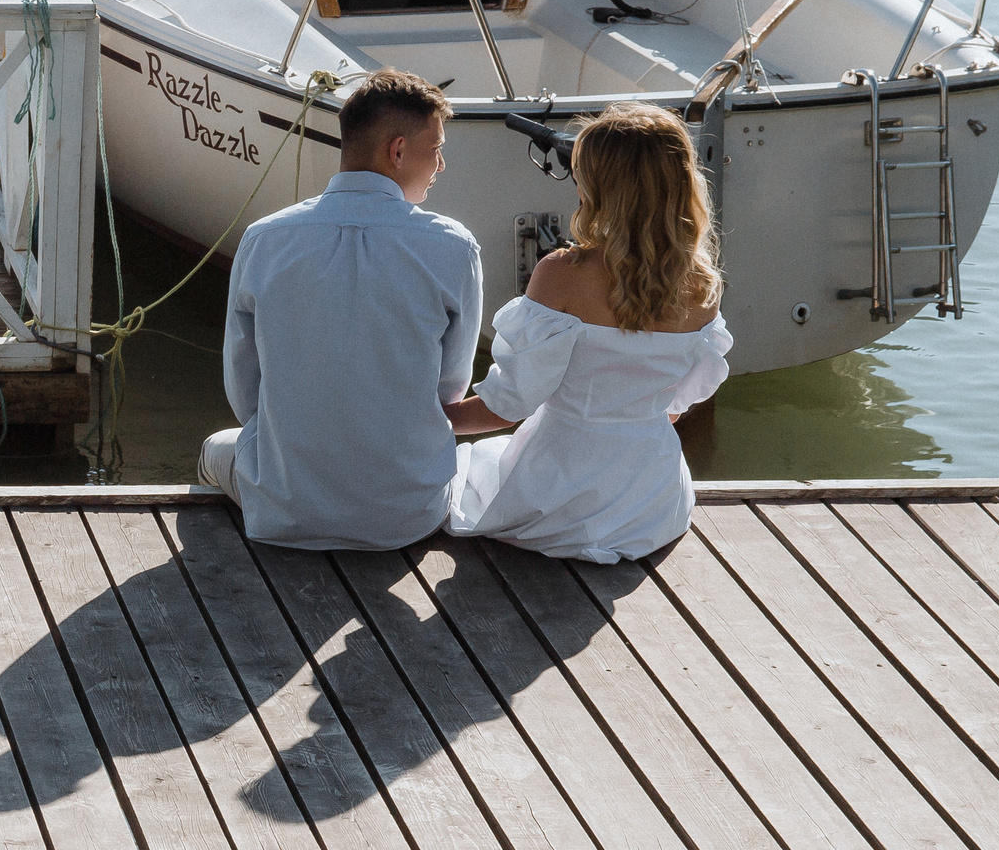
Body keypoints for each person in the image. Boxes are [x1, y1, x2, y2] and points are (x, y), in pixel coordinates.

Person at [197, 69, 486, 552]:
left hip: (285, 511)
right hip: (406, 517)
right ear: (397, 151)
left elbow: (244, 390)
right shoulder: (454, 247)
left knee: (215, 447)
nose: (441, 164)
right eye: (436, 149)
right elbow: (449, 389)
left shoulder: (264, 239)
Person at [443, 104, 731, 563]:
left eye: (581, 176)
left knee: (460, 478)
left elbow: (508, 406)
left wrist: (433, 420)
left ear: (601, 189)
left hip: (557, 499)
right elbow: (675, 408)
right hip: (652, 505)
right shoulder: (703, 286)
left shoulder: (563, 273)